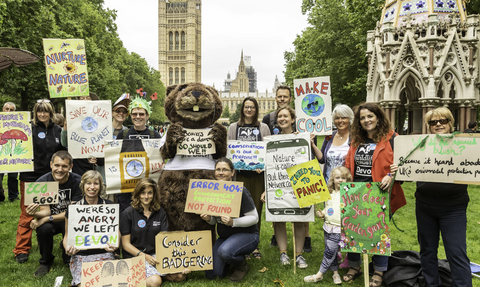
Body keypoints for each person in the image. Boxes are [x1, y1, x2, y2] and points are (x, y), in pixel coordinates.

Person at [395, 107, 471, 287]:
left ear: (450, 123)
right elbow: (407, 174)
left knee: (456, 253)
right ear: (428, 126)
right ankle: (431, 284)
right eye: (433, 122)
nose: (438, 124)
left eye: (442, 121)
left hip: (453, 208)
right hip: (425, 206)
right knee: (427, 251)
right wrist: (398, 170)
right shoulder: (420, 144)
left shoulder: (466, 144)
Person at [343, 102, 406, 287]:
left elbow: (402, 165)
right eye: (362, 118)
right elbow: (348, 163)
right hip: (355, 192)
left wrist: (391, 176)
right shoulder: (356, 139)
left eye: (370, 116)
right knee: (353, 229)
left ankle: (379, 271)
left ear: (378, 117)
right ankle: (354, 266)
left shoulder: (392, 138)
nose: (366, 120)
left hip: (379, 192)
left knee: (378, 232)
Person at [14, 99, 66, 264]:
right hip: (30, 178)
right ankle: (21, 249)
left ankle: (47, 239)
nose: (42, 114)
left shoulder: (58, 131)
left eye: (46, 111)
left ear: (51, 113)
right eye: (39, 111)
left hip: (52, 179)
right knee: (28, 213)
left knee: (49, 211)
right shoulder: (28, 129)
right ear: (35, 113)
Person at [262, 106, 309, 268]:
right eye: (279, 116)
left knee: (299, 219)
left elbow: (317, 159)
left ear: (293, 119)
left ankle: (299, 255)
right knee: (279, 219)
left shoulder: (301, 137)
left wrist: (308, 140)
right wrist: (266, 189)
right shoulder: (271, 140)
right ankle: (283, 253)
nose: (282, 119)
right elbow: (268, 167)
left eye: (285, 116)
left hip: (298, 182)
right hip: (278, 183)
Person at [120, 178, 189, 287]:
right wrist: (145, 256)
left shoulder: (160, 212)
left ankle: (152, 273)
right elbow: (125, 244)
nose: (146, 196)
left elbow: (165, 240)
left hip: (156, 255)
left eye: (149, 193)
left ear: (154, 194)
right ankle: (149, 275)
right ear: (138, 193)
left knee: (180, 276)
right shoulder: (128, 213)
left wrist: (178, 262)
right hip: (135, 257)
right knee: (156, 282)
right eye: (143, 193)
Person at [25, 150, 82, 277]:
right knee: (43, 228)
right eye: (57, 165)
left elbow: (73, 213)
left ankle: (68, 256)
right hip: (53, 220)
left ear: (70, 167)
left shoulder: (78, 181)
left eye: (64, 166)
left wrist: (46, 218)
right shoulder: (41, 182)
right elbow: (45, 211)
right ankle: (45, 262)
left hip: (71, 219)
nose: (59, 169)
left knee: (75, 224)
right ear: (51, 164)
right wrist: (35, 214)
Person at [201, 157, 259, 282]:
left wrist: (234, 222)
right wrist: (208, 218)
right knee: (213, 274)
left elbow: (255, 218)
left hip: (247, 235)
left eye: (225, 170)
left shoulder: (241, 191)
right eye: (218, 170)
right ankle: (229, 259)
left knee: (225, 252)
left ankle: (241, 265)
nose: (221, 173)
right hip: (224, 238)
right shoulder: (213, 191)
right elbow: (215, 221)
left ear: (232, 172)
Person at [227, 97, 270, 259]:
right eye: (246, 107)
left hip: (257, 176)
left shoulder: (263, 127)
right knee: (238, 209)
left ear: (256, 109)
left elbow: (267, 151)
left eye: (252, 107)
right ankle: (238, 242)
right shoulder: (233, 127)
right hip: (240, 175)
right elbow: (230, 151)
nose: (249, 110)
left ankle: (253, 246)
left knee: (255, 210)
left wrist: (263, 165)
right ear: (242, 109)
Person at [63, 170, 117, 287]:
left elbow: (117, 233)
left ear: (101, 186)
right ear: (83, 185)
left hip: (104, 252)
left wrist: (115, 244)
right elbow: (67, 235)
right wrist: (67, 247)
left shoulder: (109, 206)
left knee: (108, 283)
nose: (92, 187)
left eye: (96, 183)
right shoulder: (73, 208)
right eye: (88, 183)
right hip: (80, 254)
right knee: (85, 284)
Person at [304, 166, 352, 284]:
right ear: (333, 179)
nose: (340, 180)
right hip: (327, 226)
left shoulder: (348, 194)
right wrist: (323, 213)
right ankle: (335, 274)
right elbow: (329, 208)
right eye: (337, 177)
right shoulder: (329, 193)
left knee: (329, 252)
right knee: (333, 251)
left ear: (348, 180)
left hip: (338, 228)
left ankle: (319, 274)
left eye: (343, 178)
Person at [116, 97, 161, 212]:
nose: (138, 117)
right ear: (130, 116)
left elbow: (161, 157)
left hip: (147, 187)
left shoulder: (154, 135)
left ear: (147, 116)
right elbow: (115, 156)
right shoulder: (123, 134)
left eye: (141, 114)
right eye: (134, 114)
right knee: (127, 214)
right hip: (127, 187)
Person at [61, 93, 104, 177]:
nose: (85, 100)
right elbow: (64, 143)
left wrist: (96, 157)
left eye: (88, 98)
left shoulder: (101, 120)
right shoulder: (74, 119)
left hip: (94, 172)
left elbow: (102, 157)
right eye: (82, 98)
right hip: (78, 168)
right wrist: (66, 125)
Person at [317, 104, 354, 183]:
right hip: (329, 185)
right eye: (337, 118)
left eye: (343, 117)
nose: (340, 121)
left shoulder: (355, 138)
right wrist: (312, 144)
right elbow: (322, 159)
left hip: (347, 186)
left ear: (349, 119)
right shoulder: (329, 136)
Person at [0, 101, 19, 202]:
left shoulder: (19, 122)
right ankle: (0, 196)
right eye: (7, 109)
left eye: (11, 110)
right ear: (3, 109)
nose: (8, 111)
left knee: (13, 176)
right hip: (1, 151)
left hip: (13, 152)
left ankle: (13, 196)